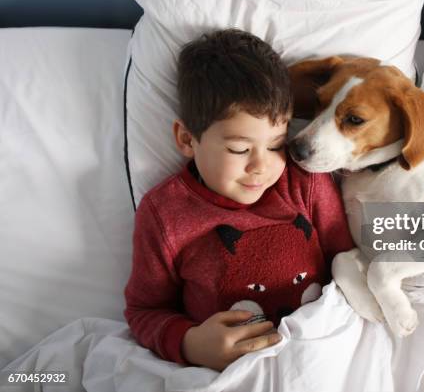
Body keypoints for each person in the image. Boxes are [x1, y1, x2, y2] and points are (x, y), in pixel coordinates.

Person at [124, 29, 354, 371]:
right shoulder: (165, 214)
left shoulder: (304, 180)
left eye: (276, 144)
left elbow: (349, 262)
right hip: (231, 372)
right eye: (239, 149)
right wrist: (190, 343)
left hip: (318, 356)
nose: (262, 166)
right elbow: (144, 311)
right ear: (187, 139)